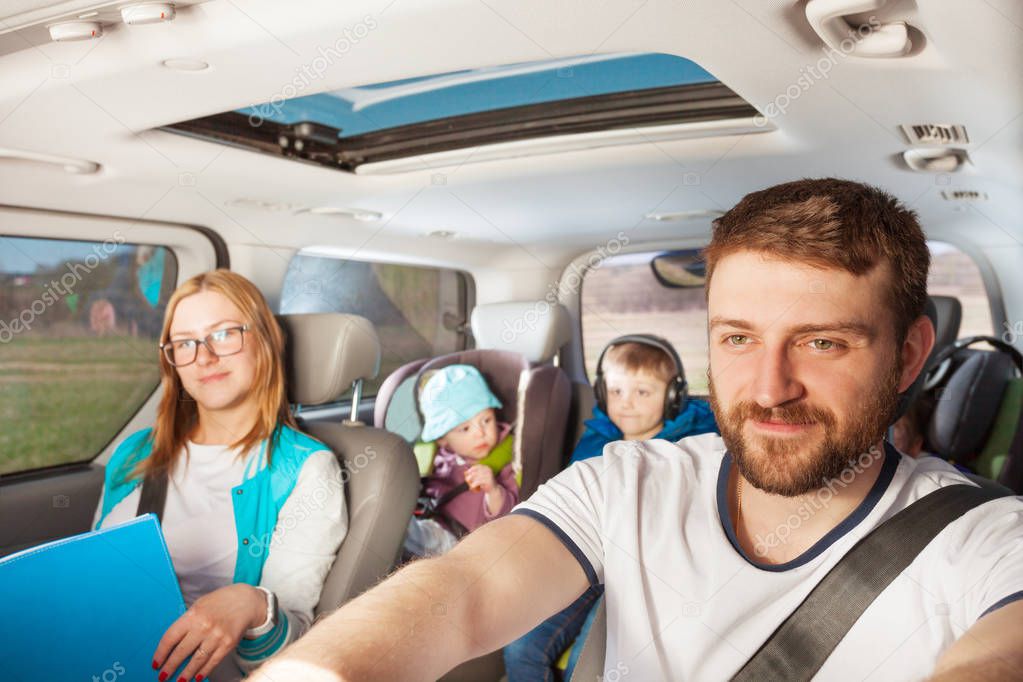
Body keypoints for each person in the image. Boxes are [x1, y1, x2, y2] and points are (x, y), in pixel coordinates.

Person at [250, 179, 1023, 682]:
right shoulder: (629, 480)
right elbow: (464, 591)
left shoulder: (990, 540)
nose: (767, 389)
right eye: (738, 338)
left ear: (910, 353)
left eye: (822, 342)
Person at [93, 269, 347, 682]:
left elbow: (292, 655)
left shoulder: (305, 470)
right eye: (185, 343)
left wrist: (251, 605)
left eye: (224, 334)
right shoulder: (134, 454)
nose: (204, 357)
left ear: (264, 340)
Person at [503, 335, 717, 681]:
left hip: (643, 573)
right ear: (602, 394)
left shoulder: (691, 445)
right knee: (519, 649)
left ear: (674, 396)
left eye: (642, 393)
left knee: (589, 665)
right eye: (616, 392)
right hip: (586, 558)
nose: (626, 404)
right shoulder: (596, 440)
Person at [404, 364, 518, 557]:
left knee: (401, 532)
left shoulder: (505, 458)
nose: (480, 433)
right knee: (394, 525)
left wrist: (493, 490)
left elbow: (510, 514)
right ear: (442, 438)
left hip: (463, 540)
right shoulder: (436, 456)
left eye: (486, 420)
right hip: (432, 521)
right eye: (465, 429)